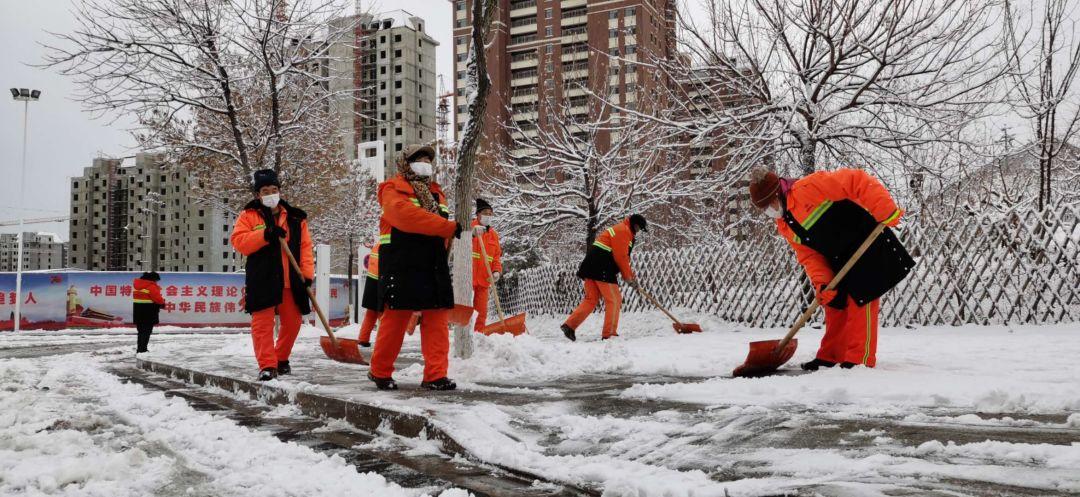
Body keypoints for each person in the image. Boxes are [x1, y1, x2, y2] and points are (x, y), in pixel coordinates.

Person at [748, 167, 912, 370]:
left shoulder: (808, 187)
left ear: (778, 193)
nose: (769, 211)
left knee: (861, 299)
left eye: (769, 204)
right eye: (764, 209)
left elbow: (856, 180)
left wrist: (885, 210)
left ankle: (859, 358)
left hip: (866, 245)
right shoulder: (784, 225)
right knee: (835, 303)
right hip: (837, 258)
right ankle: (831, 355)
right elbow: (809, 256)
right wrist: (822, 282)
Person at [368, 144, 462, 391]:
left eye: (427, 159)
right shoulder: (392, 188)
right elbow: (403, 216)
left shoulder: (437, 193)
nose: (424, 163)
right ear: (406, 163)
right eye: (418, 159)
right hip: (402, 261)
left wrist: (447, 233)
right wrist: (446, 227)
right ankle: (380, 371)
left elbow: (440, 225)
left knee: (438, 320)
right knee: (396, 319)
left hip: (432, 262)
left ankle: (435, 375)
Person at [230, 169, 315, 381]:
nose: (270, 193)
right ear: (258, 194)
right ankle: (267, 365)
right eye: (265, 190)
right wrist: (265, 234)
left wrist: (307, 274)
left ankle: (281, 357)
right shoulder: (249, 215)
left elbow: (305, 247)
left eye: (274, 189)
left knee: (293, 323)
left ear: (280, 190)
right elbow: (239, 242)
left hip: (291, 278)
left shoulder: (296, 217)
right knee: (263, 324)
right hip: (263, 278)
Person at [561, 215, 647, 341]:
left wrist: (630, 277)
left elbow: (622, 257)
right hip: (602, 267)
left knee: (591, 299)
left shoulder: (621, 229)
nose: (639, 231)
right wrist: (628, 278)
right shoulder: (623, 231)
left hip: (590, 266)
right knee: (614, 299)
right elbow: (621, 257)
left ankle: (569, 326)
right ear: (635, 224)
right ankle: (610, 333)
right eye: (639, 228)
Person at [471, 198, 503, 332]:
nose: (488, 216)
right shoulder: (468, 228)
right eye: (485, 213)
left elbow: (496, 256)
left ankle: (478, 337)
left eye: (490, 214)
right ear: (478, 214)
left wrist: (496, 271)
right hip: (468, 279)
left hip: (484, 281)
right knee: (467, 313)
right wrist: (471, 233)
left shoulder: (493, 235)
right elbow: (457, 242)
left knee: (481, 313)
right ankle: (464, 338)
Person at [132, 271, 166, 353]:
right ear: (153, 279)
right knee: (146, 332)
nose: (156, 282)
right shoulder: (151, 286)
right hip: (148, 312)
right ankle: (143, 350)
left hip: (138, 311)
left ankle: (140, 349)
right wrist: (162, 303)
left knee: (141, 332)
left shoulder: (137, 286)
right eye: (156, 280)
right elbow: (157, 299)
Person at [357, 243, 380, 347]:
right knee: (384, 316)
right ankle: (382, 342)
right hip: (381, 285)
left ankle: (363, 338)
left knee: (370, 314)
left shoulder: (378, 245)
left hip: (371, 284)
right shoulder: (388, 245)